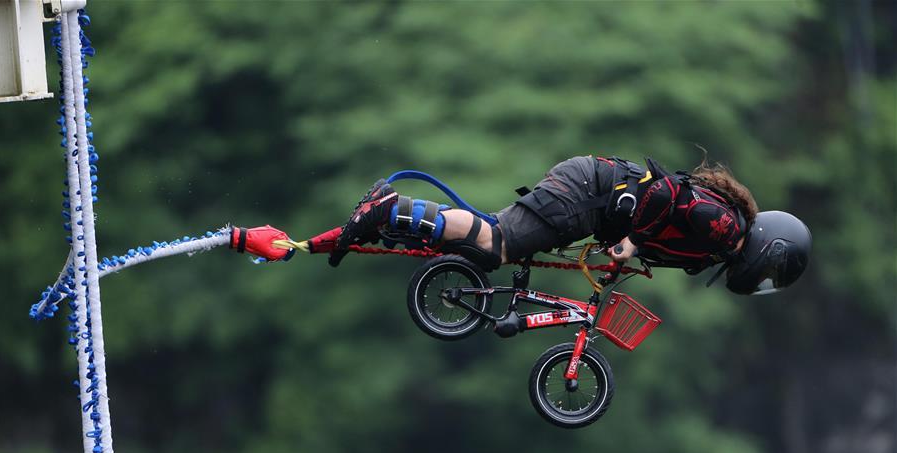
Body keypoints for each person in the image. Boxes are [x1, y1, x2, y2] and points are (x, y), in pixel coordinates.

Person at [326, 154, 811, 295]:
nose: (762, 282)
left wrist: (629, 249)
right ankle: (391, 209)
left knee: (489, 249)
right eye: (772, 274)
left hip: (592, 195)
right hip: (591, 191)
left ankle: (391, 222)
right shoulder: (726, 228)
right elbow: (665, 194)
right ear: (772, 248)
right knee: (498, 241)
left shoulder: (715, 248)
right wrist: (635, 244)